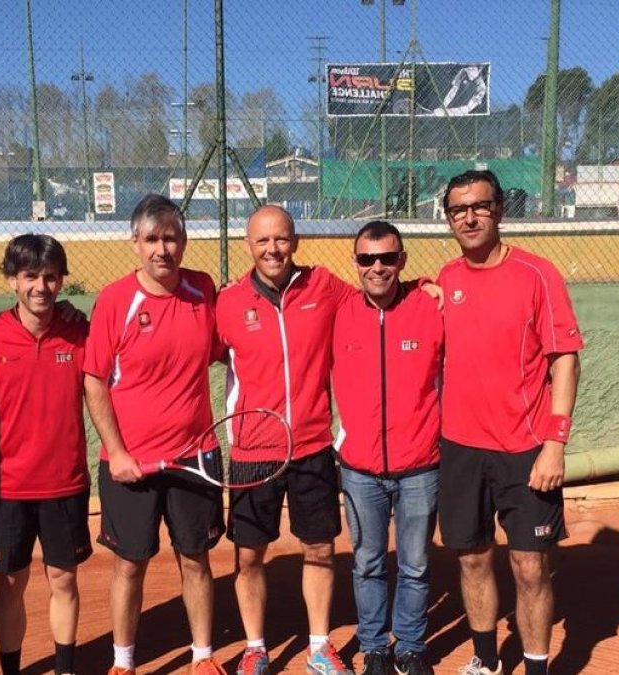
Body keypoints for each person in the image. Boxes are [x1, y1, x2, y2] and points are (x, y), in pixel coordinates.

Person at [437, 170, 583, 675]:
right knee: (473, 558)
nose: (469, 217)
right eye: (458, 210)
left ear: (499, 210)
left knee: (530, 566)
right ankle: (485, 660)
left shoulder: (537, 274)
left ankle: (537, 668)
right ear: (449, 218)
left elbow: (565, 358)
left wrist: (555, 444)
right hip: (459, 448)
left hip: (525, 449)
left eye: (479, 206)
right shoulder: (446, 280)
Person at [82, 194, 227, 675]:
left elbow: (227, 348)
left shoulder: (203, 290)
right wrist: (118, 453)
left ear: (183, 241)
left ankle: (202, 657)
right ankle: (123, 662)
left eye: (171, 237)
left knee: (196, 559)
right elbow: (95, 380)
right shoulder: (116, 300)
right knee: (129, 565)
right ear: (135, 244)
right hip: (131, 464)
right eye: (151, 239)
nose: (161, 249)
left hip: (196, 457)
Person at [216, 204, 355, 675]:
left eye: (281, 239)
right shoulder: (228, 302)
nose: (272, 249)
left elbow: (376, 298)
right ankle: (256, 647)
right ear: (248, 246)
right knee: (250, 555)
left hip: (313, 446)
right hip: (252, 452)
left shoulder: (325, 287)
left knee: (319, 549)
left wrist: (425, 289)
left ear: (294, 241)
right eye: (262, 241)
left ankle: (319, 646)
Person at [331, 221, 443, 675]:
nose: (377, 267)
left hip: (421, 466)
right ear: (355, 263)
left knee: (415, 565)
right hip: (359, 469)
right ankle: (375, 646)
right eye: (366, 259)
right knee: (368, 563)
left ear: (402, 260)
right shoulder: (337, 311)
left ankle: (411, 647)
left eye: (387, 258)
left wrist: (434, 285)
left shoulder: (430, 307)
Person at [0, 234, 91, 675]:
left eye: (50, 276)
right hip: (7, 487)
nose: (40, 287)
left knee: (64, 579)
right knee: (10, 583)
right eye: (29, 276)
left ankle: (65, 668)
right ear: (12, 280)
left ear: (62, 280)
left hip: (66, 483)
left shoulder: (79, 333)